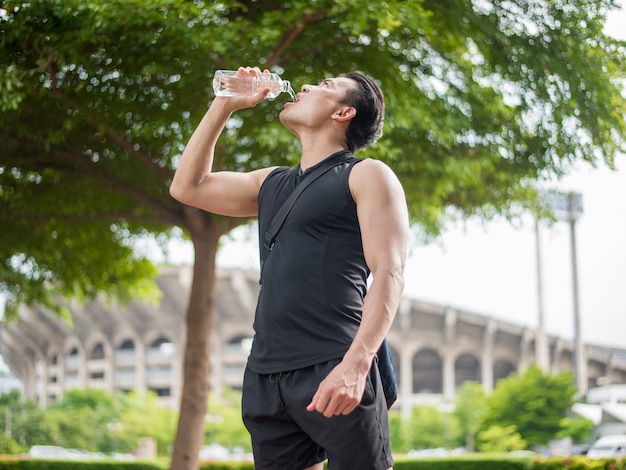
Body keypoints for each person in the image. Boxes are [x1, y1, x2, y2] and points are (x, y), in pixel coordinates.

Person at [170, 66, 409, 470]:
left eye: (326, 86)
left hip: (335, 361)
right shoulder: (272, 183)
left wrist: (357, 364)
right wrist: (224, 104)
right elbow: (187, 187)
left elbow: (390, 272)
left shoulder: (366, 174)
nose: (306, 86)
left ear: (343, 113)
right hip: (266, 373)